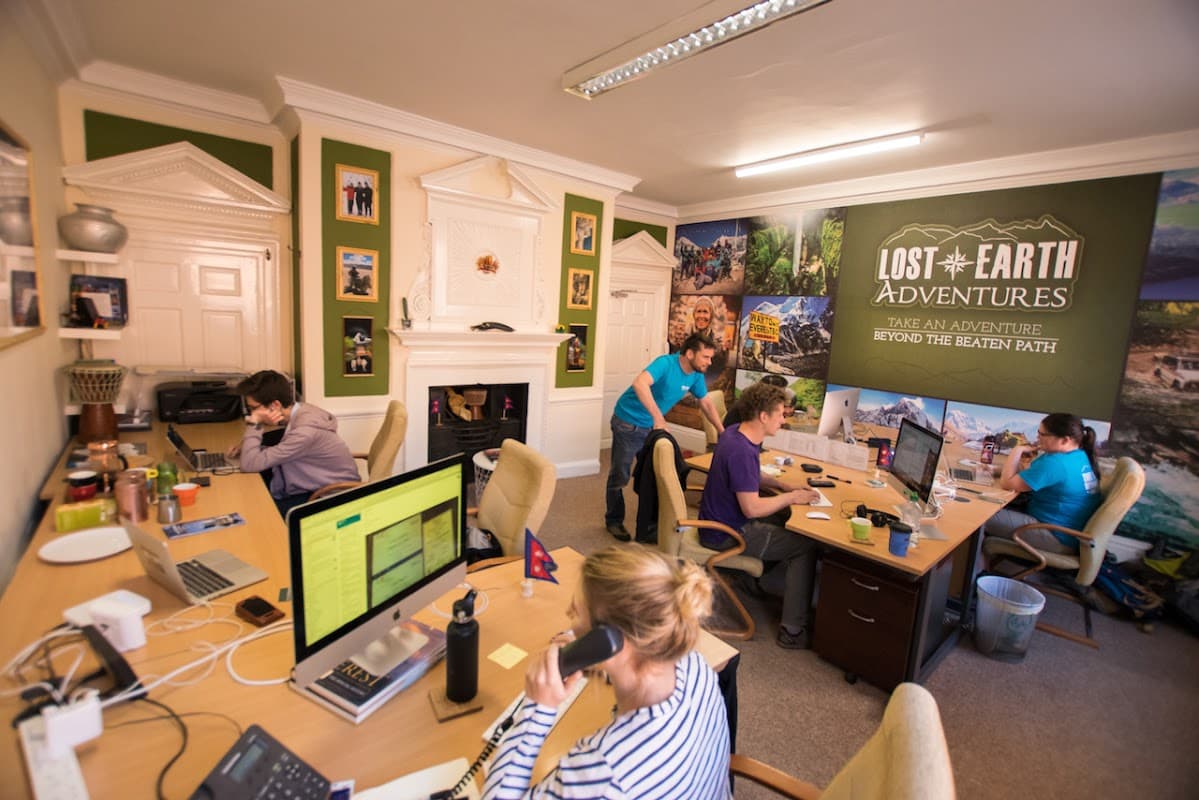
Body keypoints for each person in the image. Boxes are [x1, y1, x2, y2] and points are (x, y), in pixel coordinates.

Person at [482, 545, 730, 800]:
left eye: (576, 611)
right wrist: (599, 661)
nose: (569, 616)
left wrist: (537, 708)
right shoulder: (694, 665)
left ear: (608, 642)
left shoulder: (606, 774)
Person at [699, 381, 821, 649]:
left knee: (782, 518)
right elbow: (751, 508)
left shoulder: (735, 433)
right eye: (780, 413)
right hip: (728, 535)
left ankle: (749, 579)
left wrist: (783, 485)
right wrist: (791, 497)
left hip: (717, 522)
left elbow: (750, 478)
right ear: (763, 416)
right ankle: (792, 630)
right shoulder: (742, 451)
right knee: (805, 544)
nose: (783, 418)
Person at [605, 333, 725, 541]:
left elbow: (705, 402)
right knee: (620, 475)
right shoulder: (665, 364)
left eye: (710, 357)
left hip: (652, 427)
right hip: (628, 423)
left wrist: (722, 432)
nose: (709, 362)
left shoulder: (696, 375)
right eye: (705, 357)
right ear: (689, 353)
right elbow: (639, 384)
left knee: (655, 475)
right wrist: (658, 418)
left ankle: (651, 525)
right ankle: (613, 520)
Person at [227, 370, 360, 518]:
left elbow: (249, 464)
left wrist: (255, 424)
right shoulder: (301, 411)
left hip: (328, 497)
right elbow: (283, 450)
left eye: (253, 408)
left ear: (275, 405)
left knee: (254, 511)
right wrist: (247, 448)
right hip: (314, 483)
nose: (251, 414)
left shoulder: (305, 431)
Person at [985, 413, 1102, 553]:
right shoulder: (1078, 455)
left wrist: (1017, 450)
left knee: (978, 517)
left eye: (1043, 434)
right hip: (1068, 532)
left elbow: (1007, 483)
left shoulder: (1057, 463)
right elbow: (1031, 474)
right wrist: (998, 470)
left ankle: (974, 566)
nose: (1038, 437)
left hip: (1055, 536)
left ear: (1065, 440)